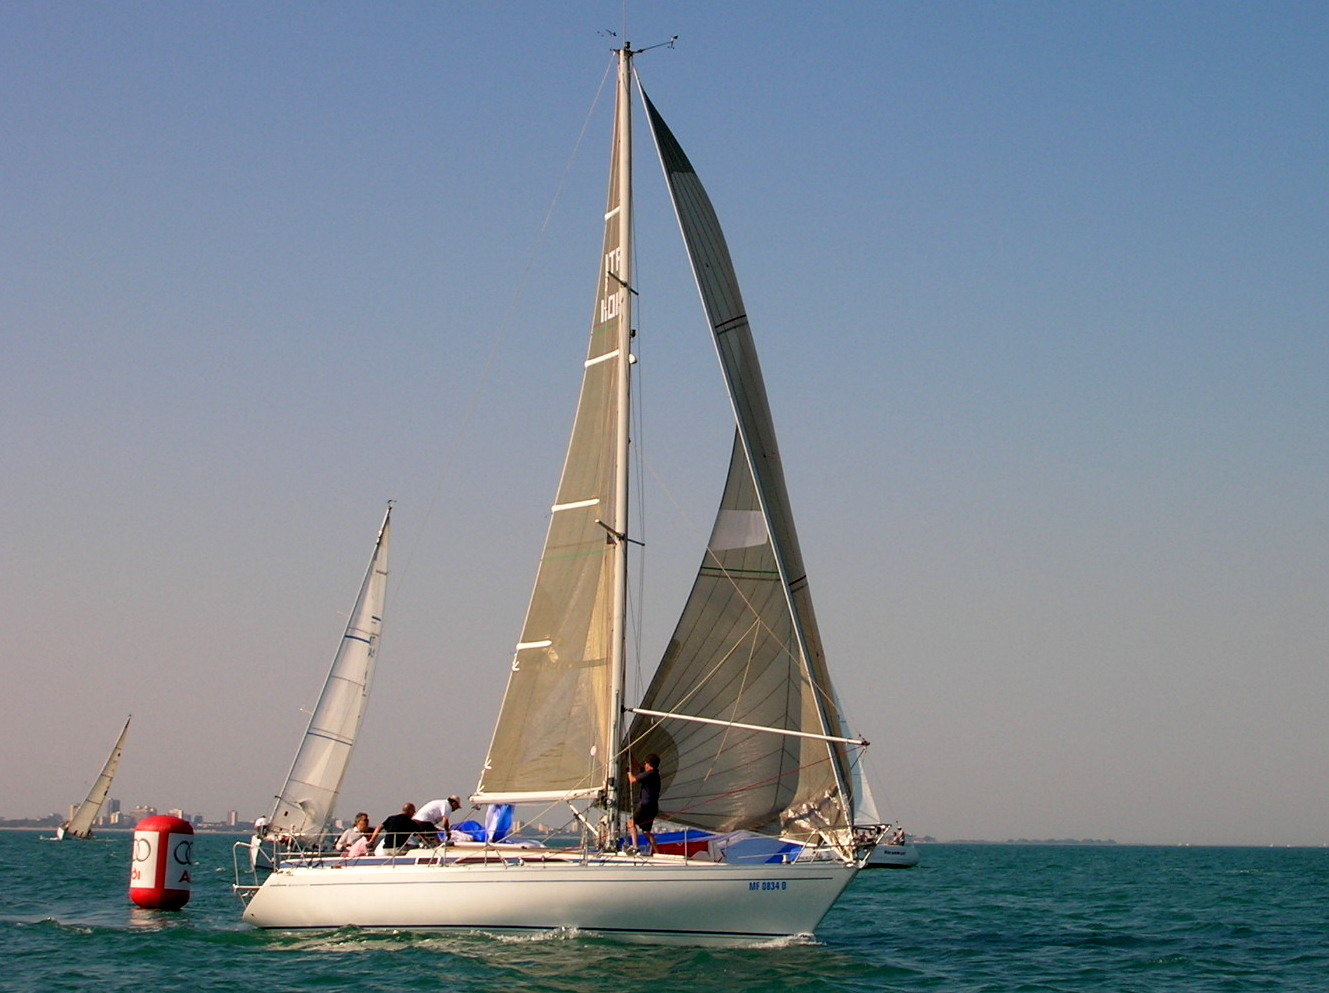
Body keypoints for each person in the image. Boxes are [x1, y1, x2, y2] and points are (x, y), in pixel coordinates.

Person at [627, 753, 661, 855]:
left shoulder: (649, 774)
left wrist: (628, 772)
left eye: (646, 763)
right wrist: (630, 756)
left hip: (645, 806)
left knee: (631, 822)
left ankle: (635, 847)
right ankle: (657, 853)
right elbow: (638, 768)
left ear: (649, 764)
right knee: (646, 832)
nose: (645, 765)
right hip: (653, 807)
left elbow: (633, 780)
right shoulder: (654, 774)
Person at [366, 802, 432, 855]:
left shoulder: (391, 818)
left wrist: (372, 840)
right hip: (397, 850)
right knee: (416, 847)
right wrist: (429, 844)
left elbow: (379, 827)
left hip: (385, 849)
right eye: (413, 811)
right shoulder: (411, 823)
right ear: (410, 811)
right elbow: (421, 837)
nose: (414, 813)